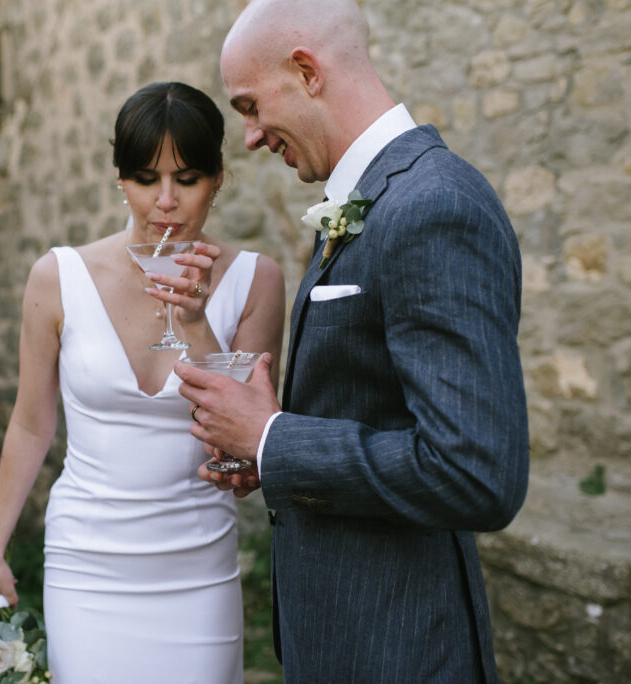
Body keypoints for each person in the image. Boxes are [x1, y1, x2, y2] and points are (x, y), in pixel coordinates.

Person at [174, 1, 530, 682]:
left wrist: (275, 437)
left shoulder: (431, 206)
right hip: (343, 638)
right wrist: (272, 455)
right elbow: (374, 409)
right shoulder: (371, 197)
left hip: (399, 647)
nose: (248, 136)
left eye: (250, 106)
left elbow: (476, 472)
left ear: (307, 71)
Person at [0, 81, 286, 682]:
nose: (165, 201)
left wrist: (194, 322)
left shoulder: (256, 282)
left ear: (218, 179)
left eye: (187, 179)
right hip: (86, 562)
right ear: (121, 179)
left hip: (196, 565)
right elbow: (31, 423)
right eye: (145, 178)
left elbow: (241, 441)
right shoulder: (57, 276)